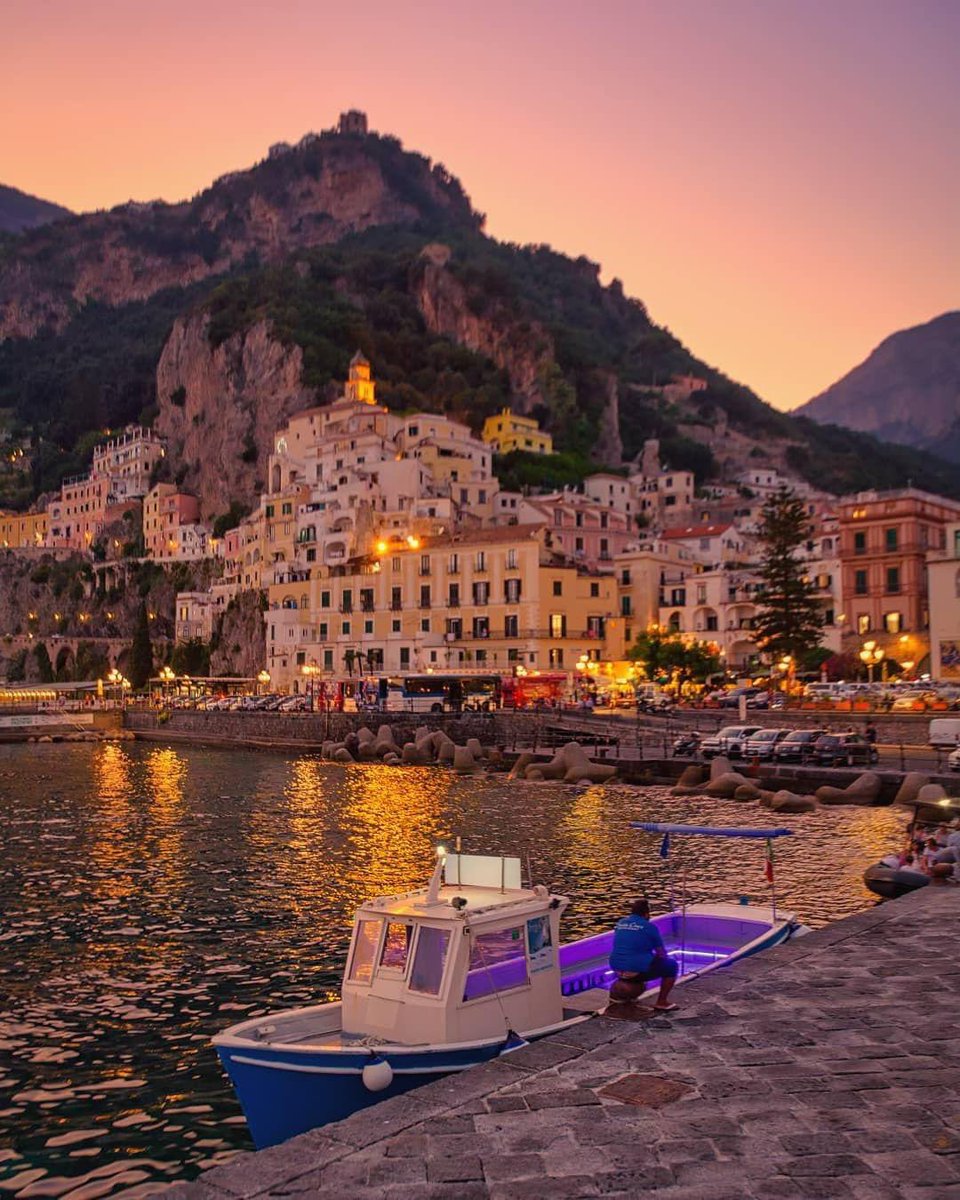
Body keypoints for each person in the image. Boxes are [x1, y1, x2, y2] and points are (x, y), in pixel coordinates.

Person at [608, 898, 679, 1012]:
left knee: (637, 960)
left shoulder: (621, 923)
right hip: (635, 969)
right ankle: (662, 1002)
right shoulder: (649, 927)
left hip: (615, 966)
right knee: (671, 966)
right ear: (646, 914)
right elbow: (661, 954)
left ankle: (622, 994)